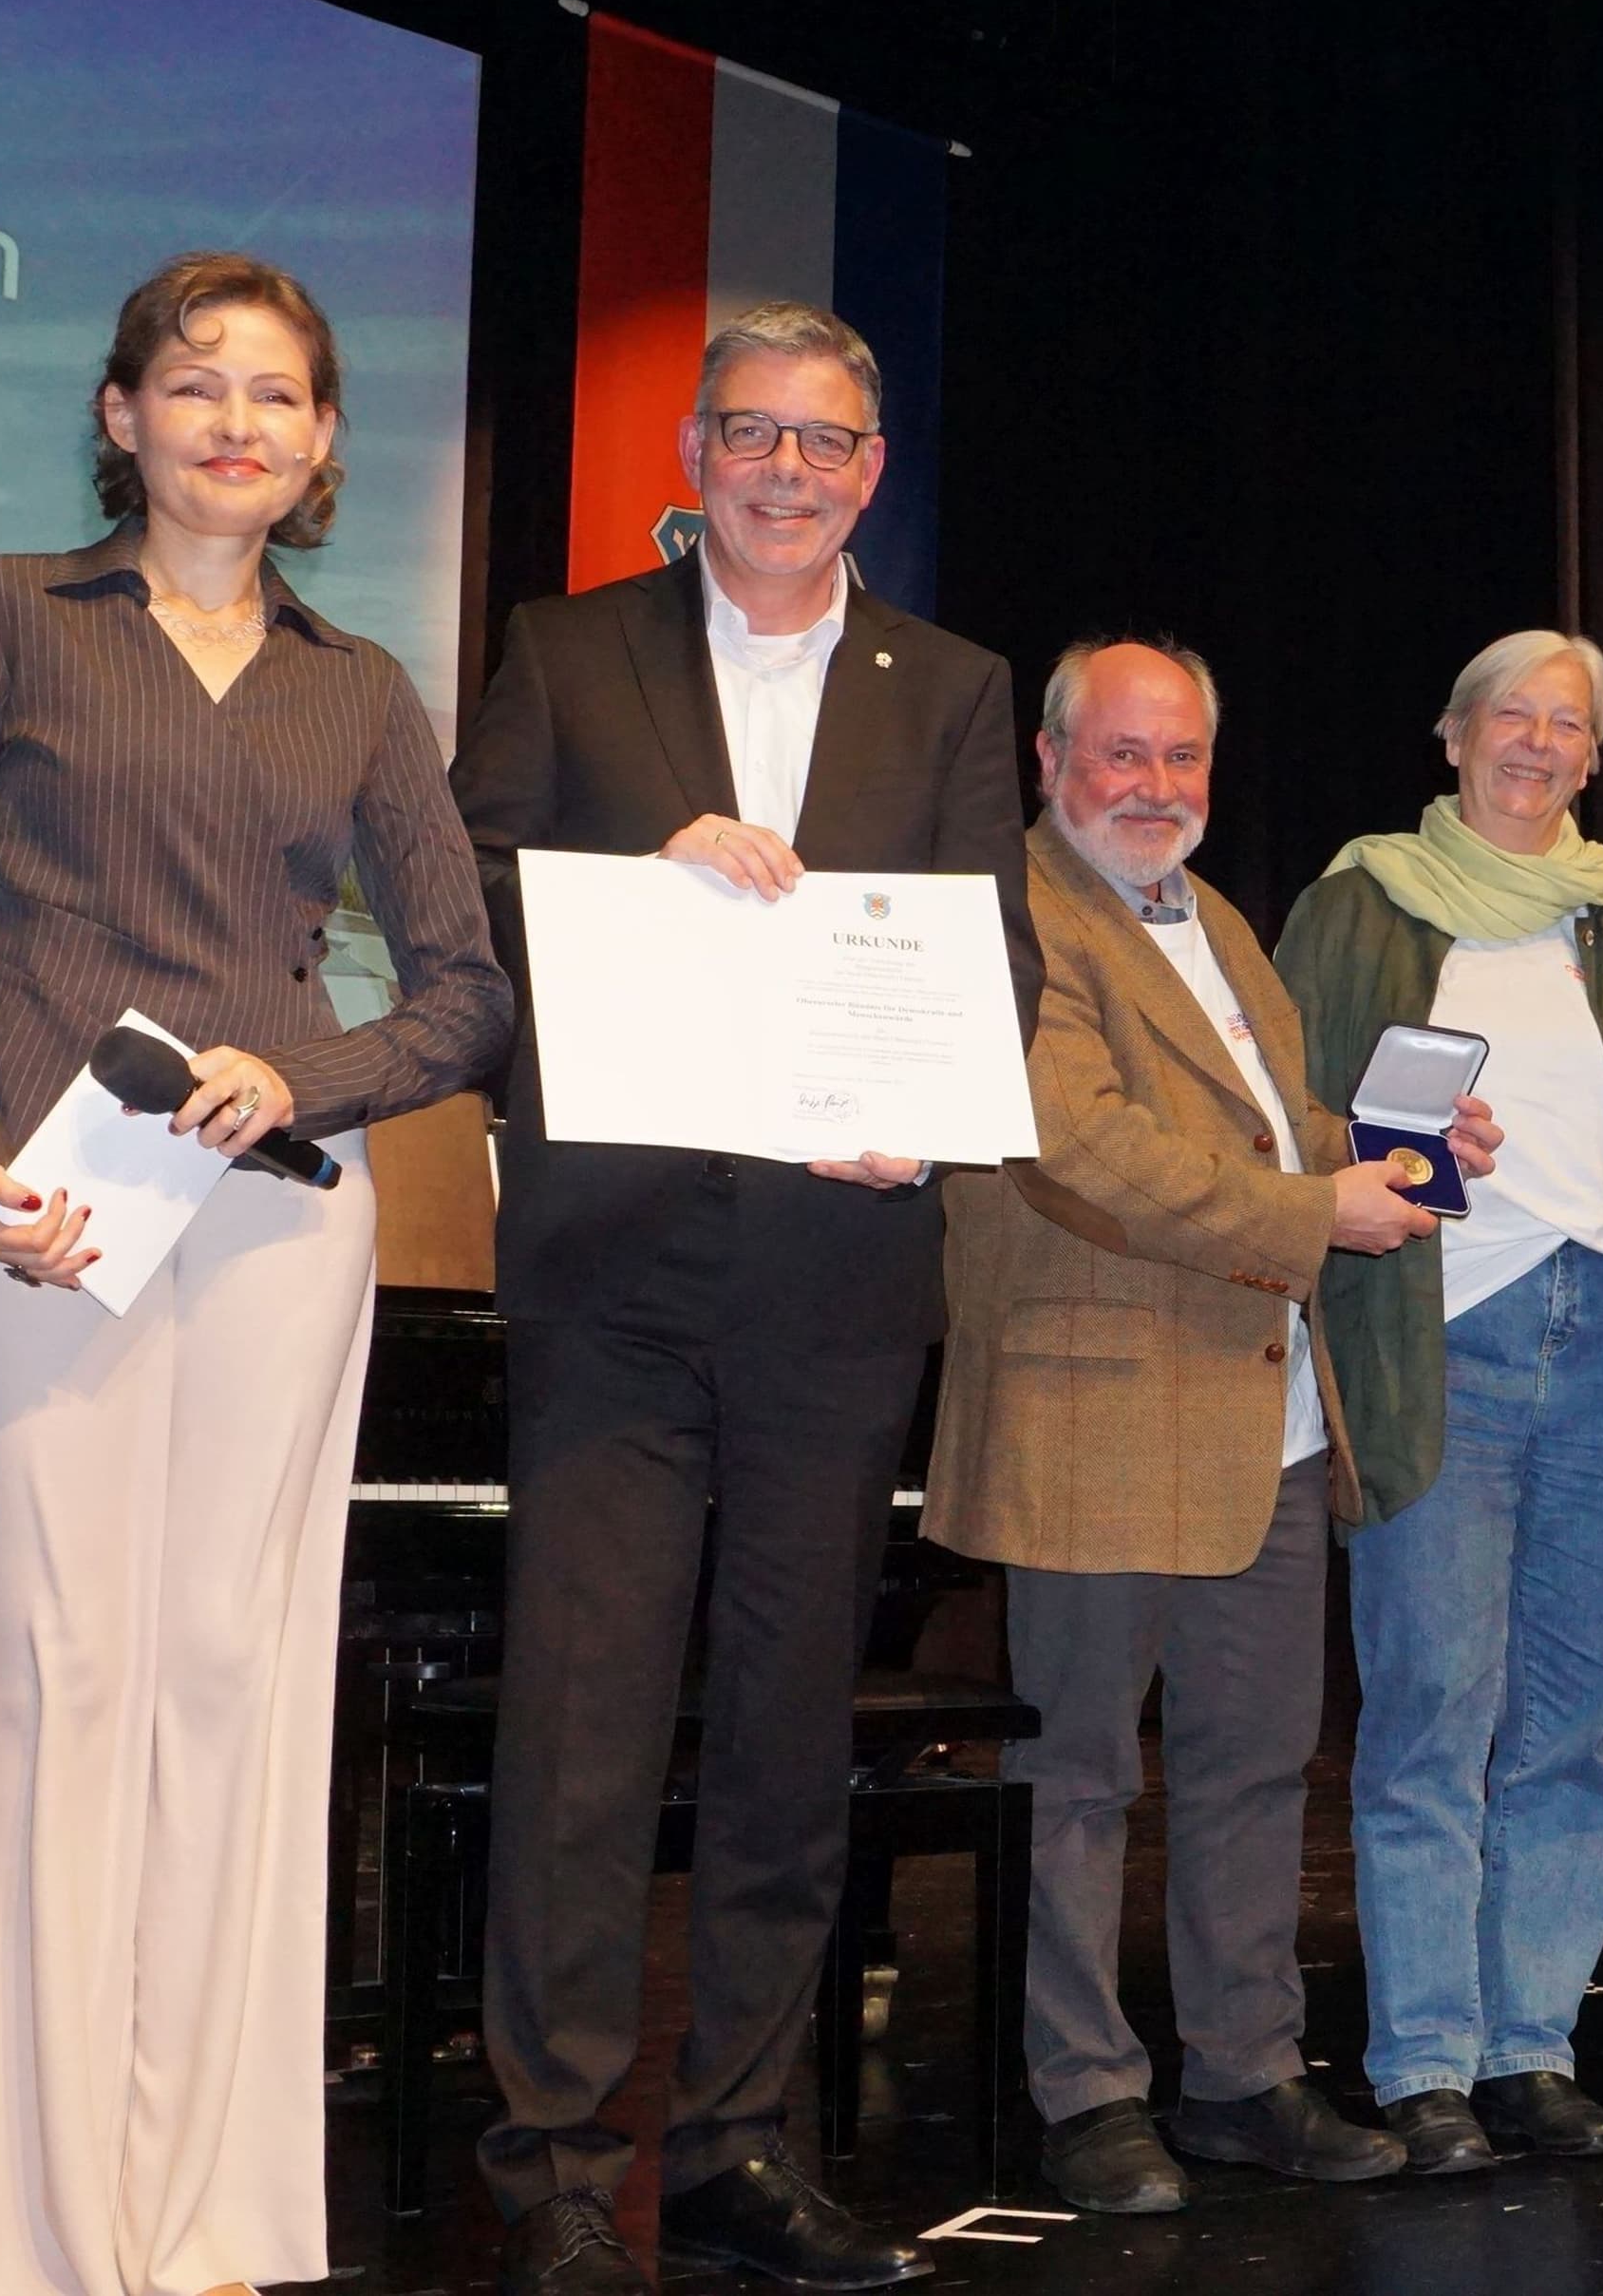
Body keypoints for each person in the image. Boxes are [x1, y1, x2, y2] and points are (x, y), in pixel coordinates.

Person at [0, 252, 514, 2296]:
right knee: (62, 1677)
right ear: (121, 417)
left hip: (281, 1216)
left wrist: (314, 1065)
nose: (235, 419)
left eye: (277, 395)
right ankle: (43, 2233)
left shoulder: (359, 685)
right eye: (193, 383)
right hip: (40, 1211)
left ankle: (211, 2212)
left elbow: (464, 990)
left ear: (318, 451)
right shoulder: (8, 611)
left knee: (233, 1674)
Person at [451, 301, 1041, 2294]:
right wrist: (646, 862)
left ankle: (737, 2147)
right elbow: (467, 891)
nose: (789, 471)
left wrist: (926, 1109)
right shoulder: (567, 646)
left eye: (828, 440)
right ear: (697, 455)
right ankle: (547, 2153)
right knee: (584, 1727)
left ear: (875, 468)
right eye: (753, 436)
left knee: (791, 1734)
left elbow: (993, 961)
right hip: (615, 1271)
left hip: (835, 1272)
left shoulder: (955, 688)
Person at [925, 636, 1499, 2212]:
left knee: (1254, 1767)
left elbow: (1269, 1123)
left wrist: (1397, 1144)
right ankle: (1088, 2090)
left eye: (1181, 758)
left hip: (1268, 1414)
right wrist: (1320, 1204)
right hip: (1095, 1404)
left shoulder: (1217, 917)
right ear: (1051, 762)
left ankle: (1245, 2072)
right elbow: (1077, 1149)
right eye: (1123, 754)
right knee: (1081, 1775)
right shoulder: (1019, 914)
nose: (1155, 787)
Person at [1274, 629, 1603, 2173]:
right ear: (1451, 734)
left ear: (1593, 756)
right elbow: (1271, 1114)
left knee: (1575, 1725)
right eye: (1512, 716)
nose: (1539, 743)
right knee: (1431, 1712)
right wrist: (1374, 1126)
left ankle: (1529, 2043)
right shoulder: (1357, 905)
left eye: (1570, 724)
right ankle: (1424, 2058)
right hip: (1443, 1348)